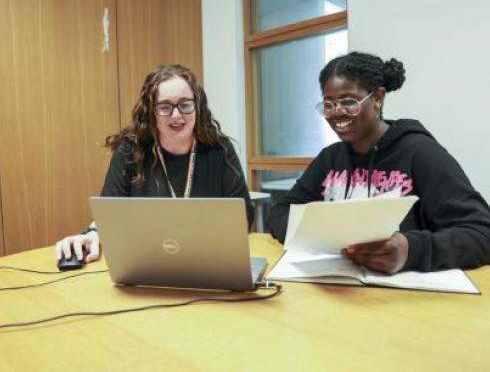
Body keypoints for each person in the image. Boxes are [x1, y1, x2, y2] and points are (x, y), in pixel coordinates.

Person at [268, 51, 490, 274]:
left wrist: (411, 250)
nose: (337, 112)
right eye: (329, 104)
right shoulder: (330, 158)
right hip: (337, 288)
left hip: (407, 299)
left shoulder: (421, 153)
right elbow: (280, 212)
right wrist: (317, 233)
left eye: (348, 101)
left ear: (378, 98)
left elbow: (482, 232)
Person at [55, 64, 254, 263]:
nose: (177, 115)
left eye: (185, 104)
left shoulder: (220, 150)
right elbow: (110, 215)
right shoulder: (130, 151)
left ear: (198, 106)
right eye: (165, 107)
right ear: (151, 112)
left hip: (210, 260)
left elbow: (243, 217)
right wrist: (91, 235)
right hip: (145, 263)